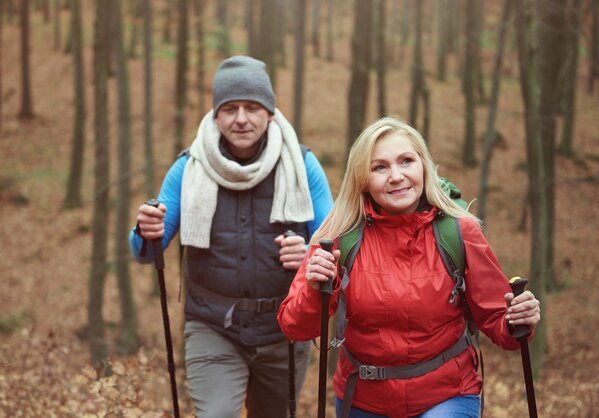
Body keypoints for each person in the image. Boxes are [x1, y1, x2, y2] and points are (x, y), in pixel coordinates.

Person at [277, 116, 541, 418]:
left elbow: (497, 319)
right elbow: (295, 327)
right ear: (362, 178)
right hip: (362, 398)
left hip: (448, 394)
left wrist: (516, 320)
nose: (396, 176)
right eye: (380, 167)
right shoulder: (337, 236)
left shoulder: (460, 232)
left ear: (423, 166)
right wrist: (314, 288)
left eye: (406, 161)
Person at [129, 55, 334, 418]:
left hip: (284, 327)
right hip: (212, 326)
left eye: (252, 107)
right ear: (215, 115)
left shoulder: (302, 166)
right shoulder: (187, 167)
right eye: (230, 108)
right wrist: (146, 232)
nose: (241, 118)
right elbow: (148, 253)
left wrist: (307, 255)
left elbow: (335, 245)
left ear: (270, 113)